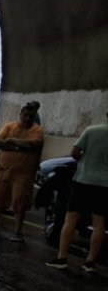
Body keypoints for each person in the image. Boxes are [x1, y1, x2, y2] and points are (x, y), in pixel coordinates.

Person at [45, 109, 108, 272]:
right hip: (104, 185)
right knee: (99, 222)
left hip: (83, 180)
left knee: (71, 217)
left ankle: (62, 257)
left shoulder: (92, 130)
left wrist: (85, 162)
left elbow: (74, 152)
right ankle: (90, 261)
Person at [0, 103, 44, 242]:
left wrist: (11, 141)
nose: (27, 118)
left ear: (34, 117)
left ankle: (18, 232)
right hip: (3, 169)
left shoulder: (36, 130)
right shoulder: (10, 126)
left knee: (19, 201)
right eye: (25, 115)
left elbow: (33, 144)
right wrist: (19, 147)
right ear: (20, 114)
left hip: (23, 173)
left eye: (30, 116)